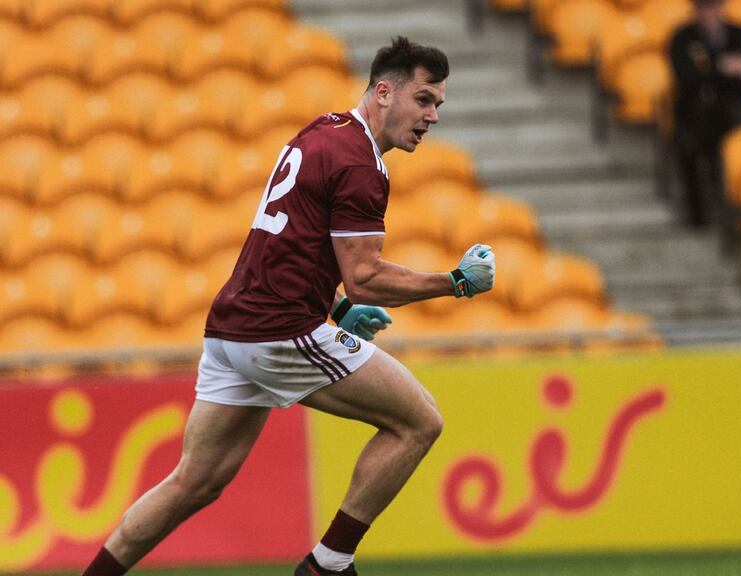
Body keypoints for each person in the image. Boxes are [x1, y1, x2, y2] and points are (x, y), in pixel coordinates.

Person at [81, 37, 496, 576]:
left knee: (194, 482)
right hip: (277, 332)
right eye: (424, 100)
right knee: (418, 422)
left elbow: (297, 244)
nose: (433, 116)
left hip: (231, 330)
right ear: (385, 92)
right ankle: (328, 564)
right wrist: (456, 282)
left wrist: (340, 309)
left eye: (438, 103)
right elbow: (367, 275)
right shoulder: (361, 164)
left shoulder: (323, 131)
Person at [668, 0, 741, 228]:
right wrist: (723, 67)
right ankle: (698, 217)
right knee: (689, 143)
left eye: (713, 6)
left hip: (730, 111)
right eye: (703, 7)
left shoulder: (739, 33)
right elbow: (686, 77)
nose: (708, 12)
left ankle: (740, 206)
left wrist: (709, 67)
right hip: (694, 113)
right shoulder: (682, 37)